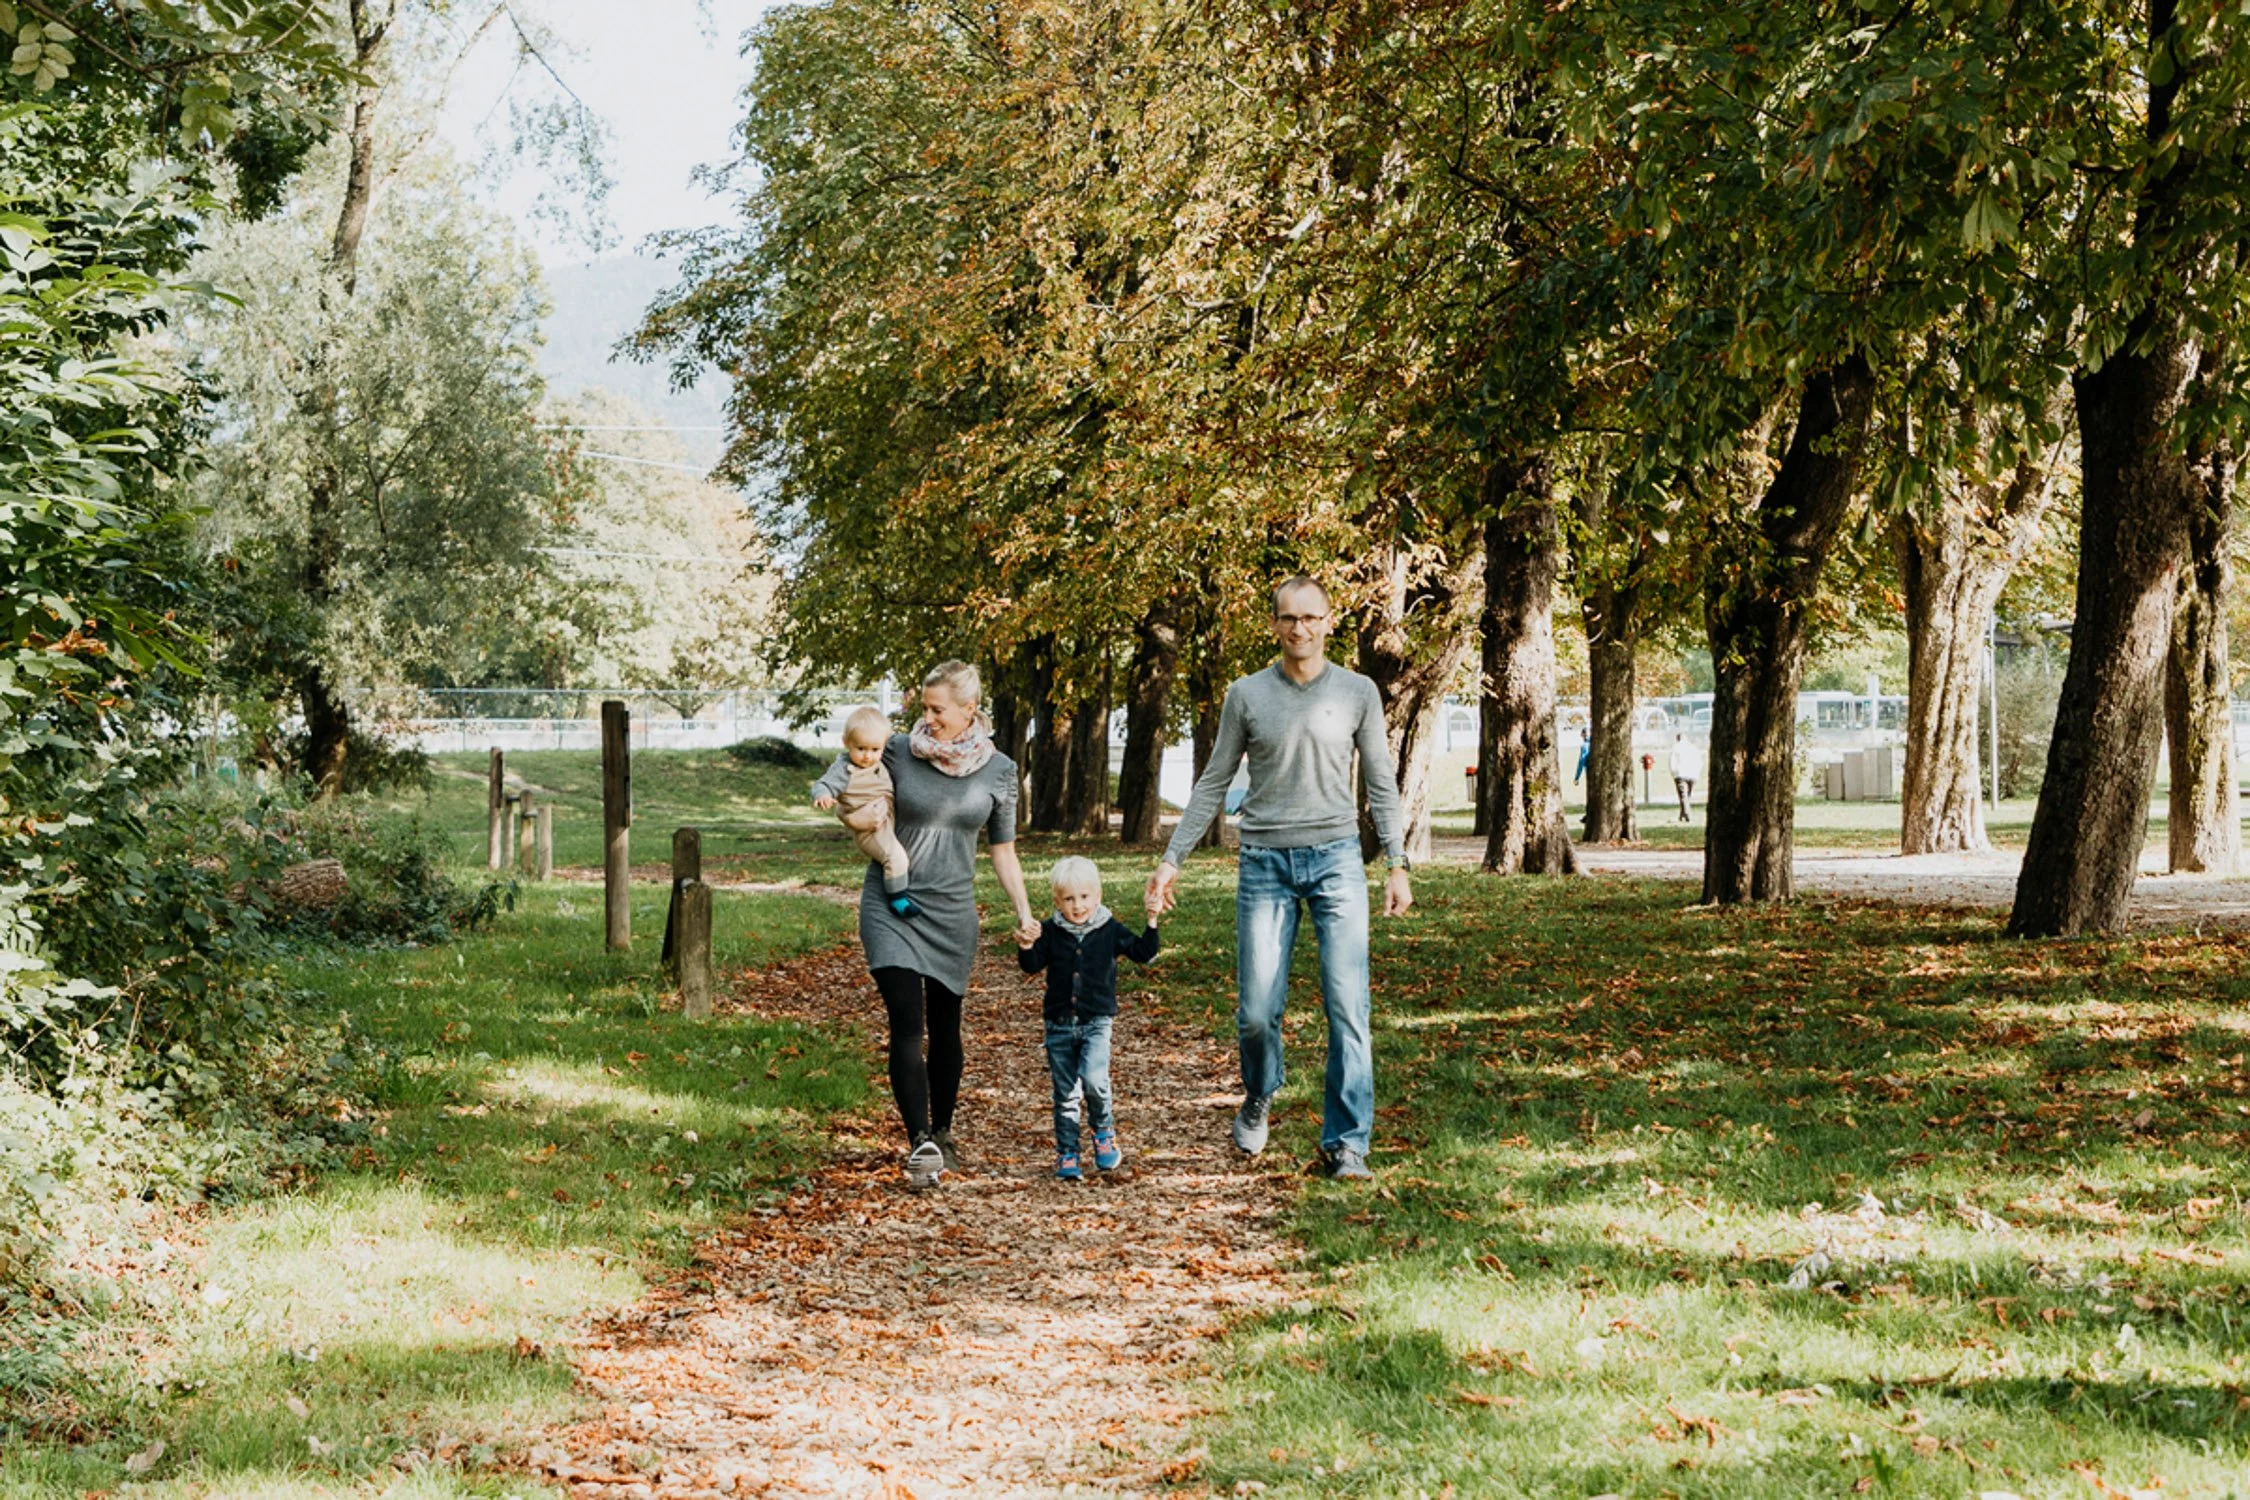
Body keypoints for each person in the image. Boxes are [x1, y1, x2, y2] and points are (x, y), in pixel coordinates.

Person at [1144, 576, 1411, 1181]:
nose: (1300, 629)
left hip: (1337, 860)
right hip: (1264, 862)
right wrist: (1172, 858)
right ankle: (1261, 1089)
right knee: (1258, 1012)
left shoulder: (1358, 692)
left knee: (1349, 1006)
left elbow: (1380, 781)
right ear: (1274, 625)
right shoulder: (1246, 694)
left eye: (1311, 617)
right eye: (1288, 618)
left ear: (1329, 621)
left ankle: (1347, 1144)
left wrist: (1396, 862)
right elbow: (1214, 779)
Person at [850, 662, 1040, 1190]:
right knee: (907, 1022)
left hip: (954, 911)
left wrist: (1023, 913)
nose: (926, 719)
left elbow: (1003, 851)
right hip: (892, 903)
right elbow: (851, 774)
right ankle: (920, 1142)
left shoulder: (999, 769)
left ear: (969, 712)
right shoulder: (896, 751)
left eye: (937, 710)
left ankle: (944, 1129)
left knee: (946, 1025)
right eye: (924, 708)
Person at [1018, 856, 1161, 1181]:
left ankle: (1103, 1132)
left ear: (1097, 896)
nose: (1077, 906)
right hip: (1058, 1024)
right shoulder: (1051, 931)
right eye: (1069, 899)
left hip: (1096, 1022)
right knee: (1066, 1092)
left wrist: (1152, 920)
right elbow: (1032, 965)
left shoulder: (1108, 929)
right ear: (1057, 901)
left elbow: (1144, 953)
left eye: (1084, 897)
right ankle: (1068, 1153)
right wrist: (1027, 945)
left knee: (1095, 1081)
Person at [811, 705, 918, 918]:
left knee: (903, 853)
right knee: (895, 857)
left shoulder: (880, 761)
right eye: (861, 748)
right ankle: (898, 899)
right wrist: (822, 795)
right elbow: (823, 784)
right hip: (869, 829)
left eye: (875, 749)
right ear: (846, 743)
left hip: (885, 817)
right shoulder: (844, 769)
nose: (868, 756)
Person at [1668, 732, 1697, 823]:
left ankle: (1687, 815)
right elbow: (1699, 761)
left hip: (1681, 774)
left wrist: (1673, 773)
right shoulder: (1693, 747)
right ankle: (1682, 815)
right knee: (1687, 796)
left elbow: (1672, 762)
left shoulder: (1675, 748)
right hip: (1692, 774)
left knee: (1683, 796)